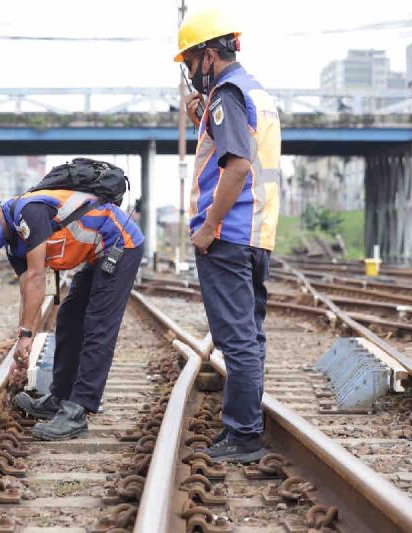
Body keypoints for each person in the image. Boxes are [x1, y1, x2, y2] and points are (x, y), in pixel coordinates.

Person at [0, 180, 144, 441]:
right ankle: (59, 397)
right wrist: (22, 346)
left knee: (98, 326)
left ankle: (77, 409)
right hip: (97, 254)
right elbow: (29, 291)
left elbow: (38, 277)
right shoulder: (14, 244)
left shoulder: (29, 213)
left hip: (121, 244)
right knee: (70, 317)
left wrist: (27, 335)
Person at [175, 8, 281, 463]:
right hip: (257, 233)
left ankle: (242, 435)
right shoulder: (254, 92)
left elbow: (236, 164)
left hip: (228, 235)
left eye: (190, 62)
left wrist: (208, 226)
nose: (190, 73)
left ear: (208, 56)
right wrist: (204, 112)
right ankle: (246, 424)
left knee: (235, 337)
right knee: (250, 335)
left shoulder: (227, 97)